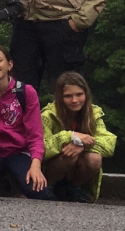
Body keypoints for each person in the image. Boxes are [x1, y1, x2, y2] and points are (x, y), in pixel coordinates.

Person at [0, 44, 52, 200]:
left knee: (39, 192)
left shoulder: (26, 92)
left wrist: (35, 165)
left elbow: (35, 134)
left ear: (9, 64)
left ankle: (13, 182)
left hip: (18, 152)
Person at [42, 71, 117, 202]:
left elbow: (110, 143)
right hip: (52, 167)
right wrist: (70, 136)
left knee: (94, 158)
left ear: (86, 94)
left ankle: (73, 188)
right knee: (70, 155)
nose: (74, 100)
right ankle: (48, 188)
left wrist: (82, 144)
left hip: (76, 170)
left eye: (79, 94)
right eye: (68, 96)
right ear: (59, 97)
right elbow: (42, 148)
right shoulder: (47, 115)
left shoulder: (94, 113)